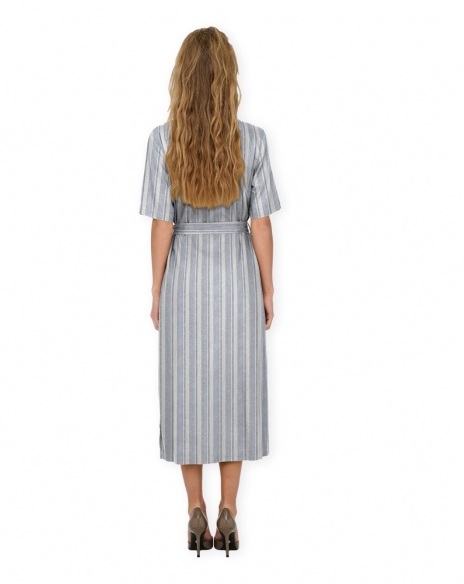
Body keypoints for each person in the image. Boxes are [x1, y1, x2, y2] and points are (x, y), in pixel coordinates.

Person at [139, 26, 281, 557]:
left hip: (185, 279)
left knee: (188, 392)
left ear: (182, 79)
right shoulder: (254, 140)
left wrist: (157, 288)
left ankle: (195, 509)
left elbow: (162, 224)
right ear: (229, 78)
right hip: (237, 276)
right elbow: (260, 223)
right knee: (233, 391)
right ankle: (229, 509)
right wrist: (268, 288)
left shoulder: (163, 140)